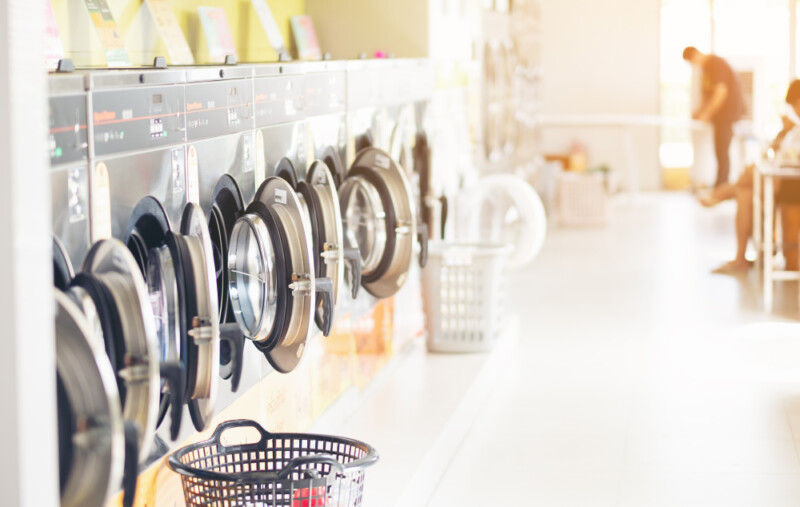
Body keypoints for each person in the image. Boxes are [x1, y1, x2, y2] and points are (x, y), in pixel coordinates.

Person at [709, 80, 800, 274]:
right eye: (794, 106)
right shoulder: (794, 129)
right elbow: (783, 153)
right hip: (784, 179)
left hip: (792, 183)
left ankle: (723, 192)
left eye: (797, 105)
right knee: (744, 192)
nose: (796, 110)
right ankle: (741, 258)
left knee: (749, 180)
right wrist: (782, 135)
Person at [683, 46, 746, 192]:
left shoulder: (716, 64)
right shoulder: (707, 69)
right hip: (720, 118)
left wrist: (706, 114)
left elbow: (720, 93)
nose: (694, 66)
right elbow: (708, 95)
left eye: (692, 62)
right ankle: (719, 186)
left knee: (722, 151)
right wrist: (700, 113)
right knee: (719, 150)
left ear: (695, 55)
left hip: (727, 115)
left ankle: (721, 188)